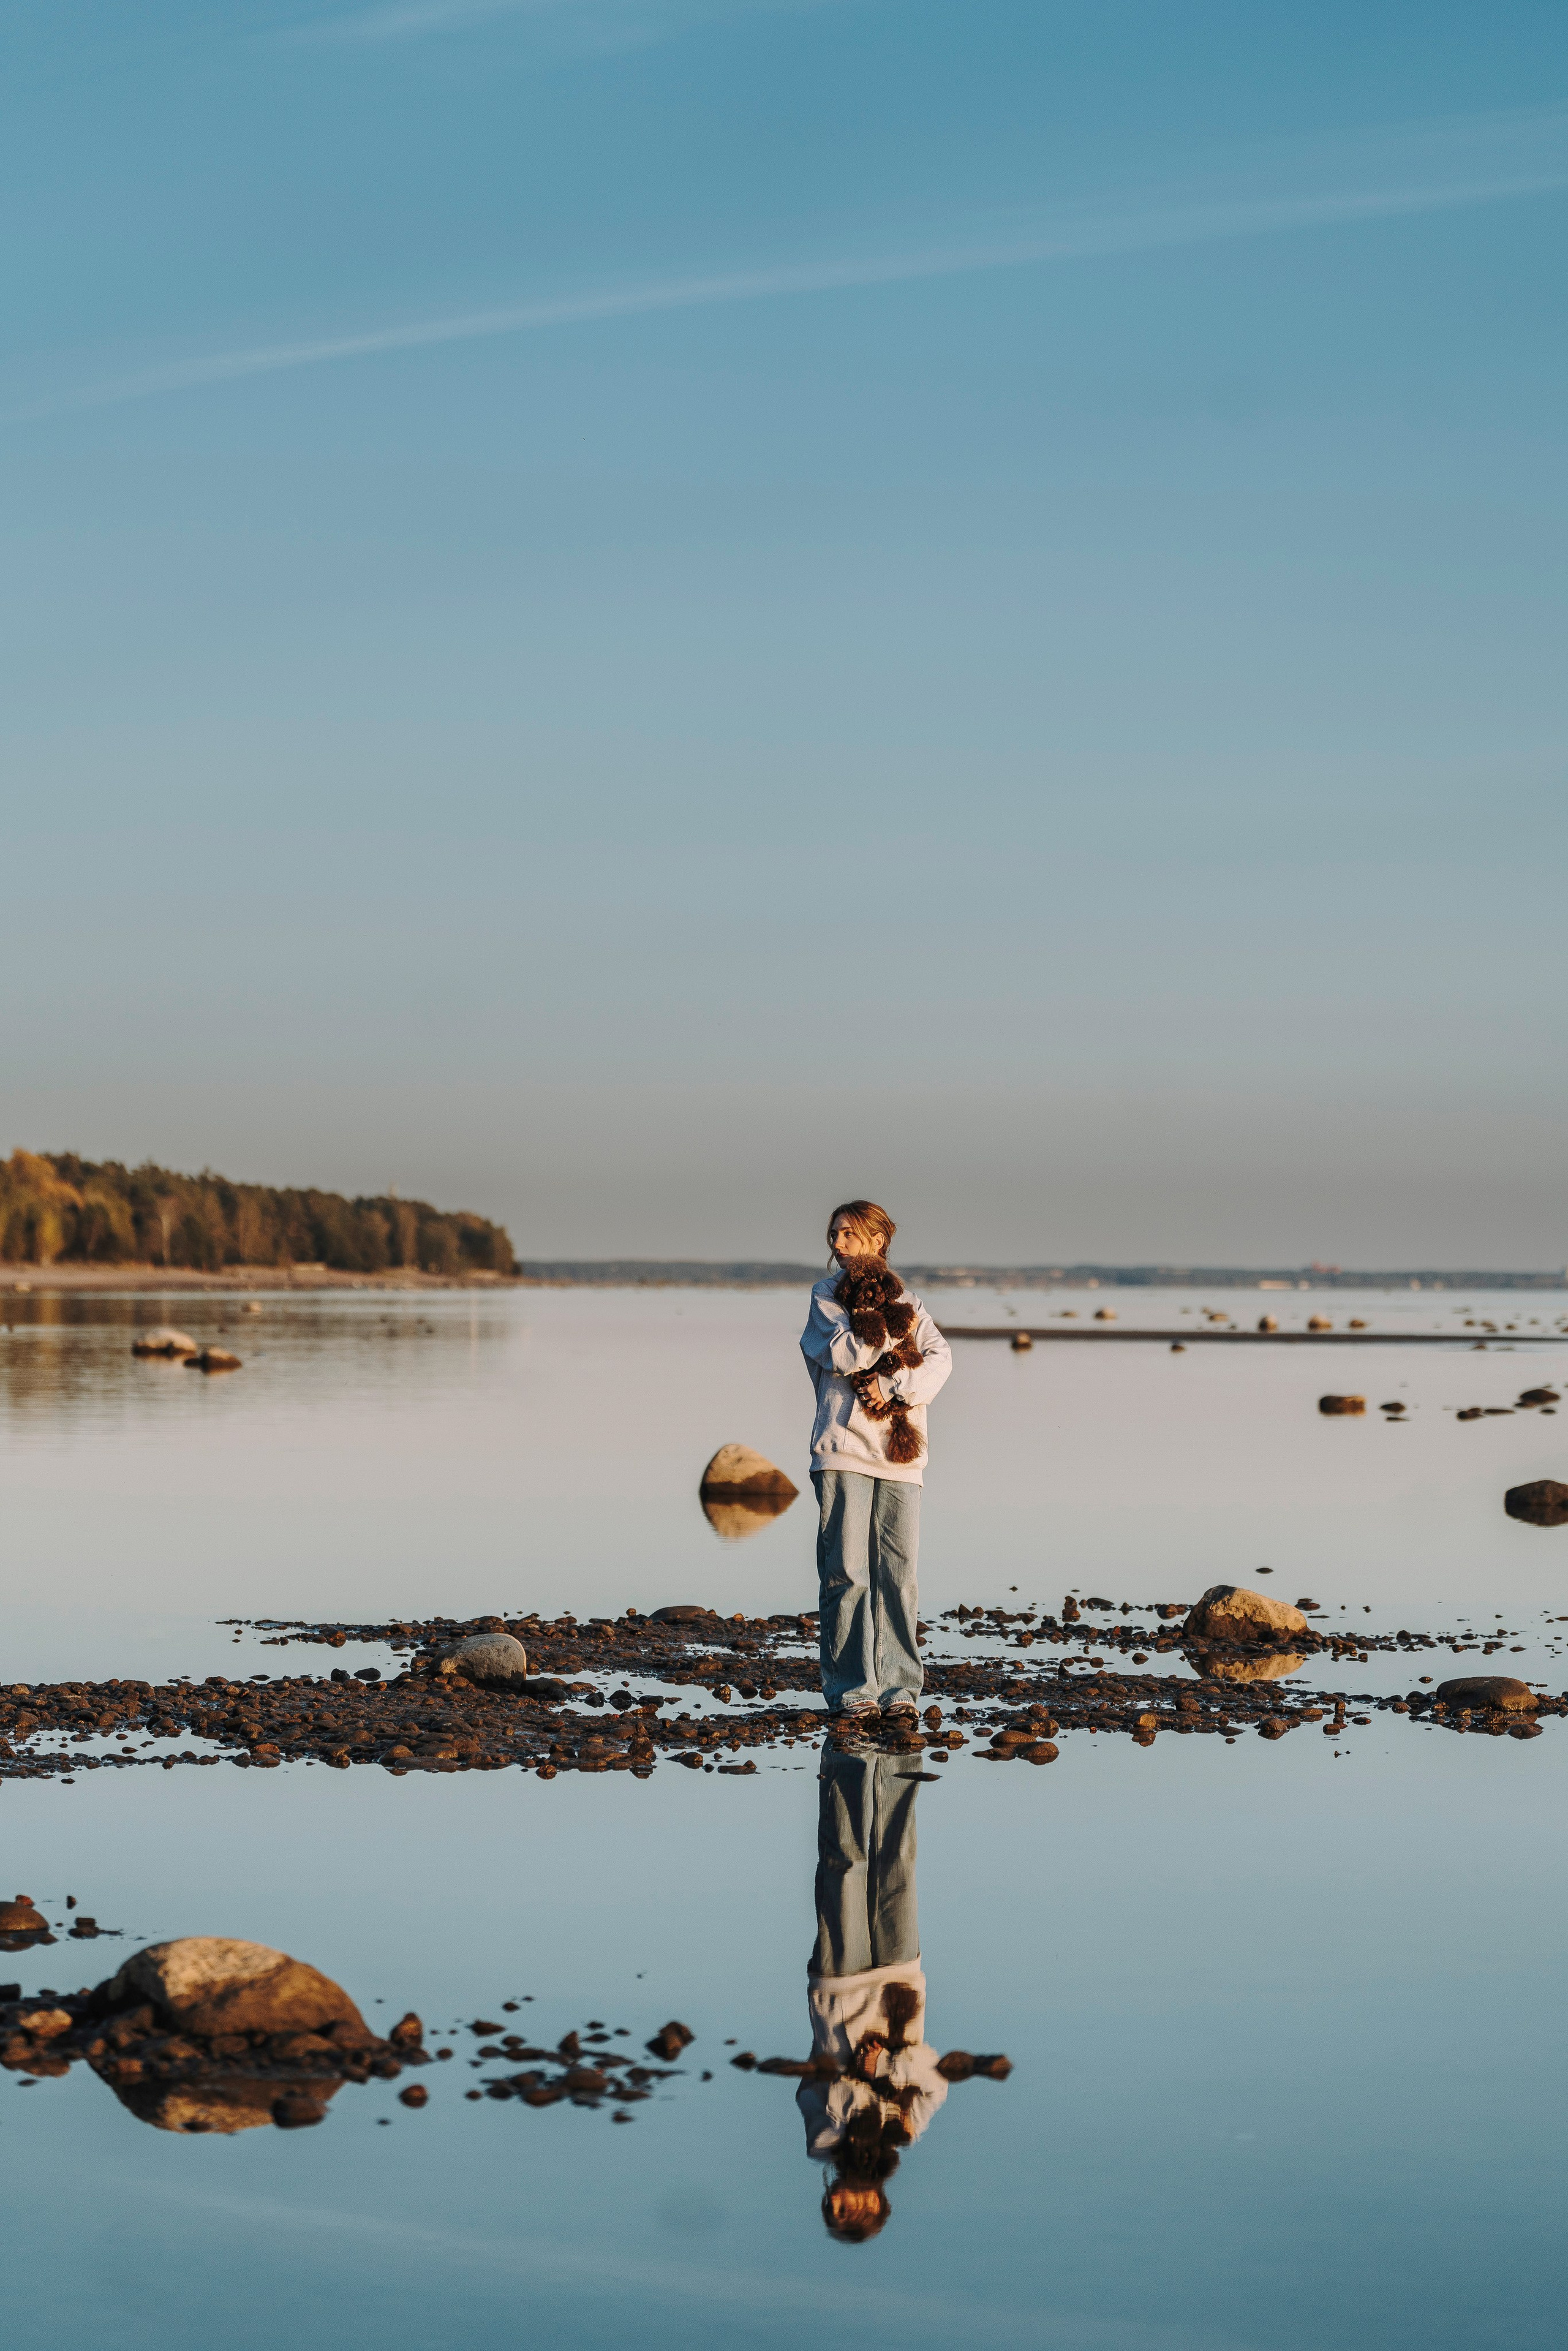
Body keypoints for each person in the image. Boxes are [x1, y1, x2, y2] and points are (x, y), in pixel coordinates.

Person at [799, 1199, 952, 1722]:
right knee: (846, 1575)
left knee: (899, 1576)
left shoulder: (910, 1301)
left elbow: (939, 1361)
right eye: (834, 1234)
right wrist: (882, 1328)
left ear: (877, 1240)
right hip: (842, 1451)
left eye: (848, 1234)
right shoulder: (825, 1298)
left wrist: (893, 1386)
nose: (837, 1243)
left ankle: (900, 1693)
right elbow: (844, 1354)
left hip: (900, 1457)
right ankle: (852, 1689)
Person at [797, 1746, 948, 2243]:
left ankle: (846, 1757)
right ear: (879, 2202)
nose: (847, 2202)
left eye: (836, 2209)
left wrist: (868, 2079)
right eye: (858, 2211)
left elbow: (819, 2087)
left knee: (846, 1868)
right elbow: (934, 2075)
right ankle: (900, 1756)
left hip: (840, 1990)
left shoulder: (822, 2143)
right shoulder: (907, 2130)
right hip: (900, 1990)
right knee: (899, 1868)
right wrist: (888, 2070)